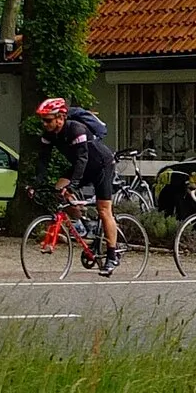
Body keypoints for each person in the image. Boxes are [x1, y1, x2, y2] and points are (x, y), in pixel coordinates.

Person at [35, 97, 122, 274]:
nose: (44, 124)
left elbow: (83, 159)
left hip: (101, 166)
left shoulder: (76, 129)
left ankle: (112, 255)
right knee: (59, 190)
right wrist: (36, 183)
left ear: (60, 118)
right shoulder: (49, 135)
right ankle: (82, 224)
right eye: (43, 120)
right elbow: (43, 160)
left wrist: (73, 185)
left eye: (48, 120)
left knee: (104, 210)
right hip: (80, 168)